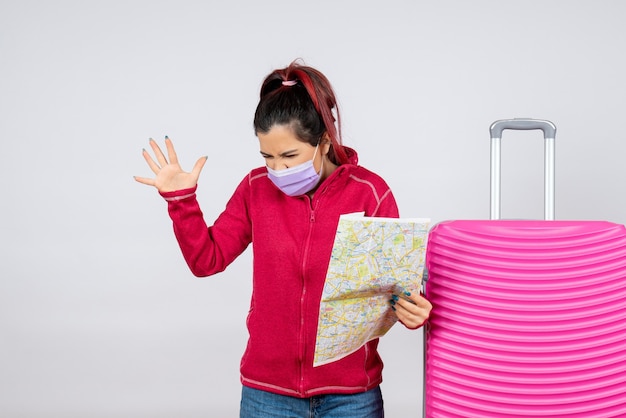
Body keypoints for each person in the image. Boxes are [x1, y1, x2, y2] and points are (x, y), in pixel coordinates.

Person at [135, 60, 432, 418]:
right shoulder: (255, 189)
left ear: (323, 142)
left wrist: (413, 308)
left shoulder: (370, 193)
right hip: (268, 394)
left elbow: (395, 286)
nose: (278, 170)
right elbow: (206, 260)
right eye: (268, 157)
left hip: (350, 395)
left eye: (290, 156)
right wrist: (182, 202)